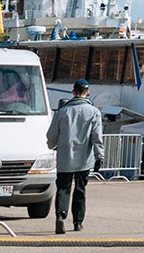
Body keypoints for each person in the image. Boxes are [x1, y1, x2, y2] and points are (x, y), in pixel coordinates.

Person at [44, 79, 104, 236]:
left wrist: (51, 145)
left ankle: (60, 216)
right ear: (87, 93)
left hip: (65, 157)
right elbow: (96, 137)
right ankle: (78, 222)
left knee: (63, 188)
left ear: (73, 92)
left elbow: (51, 136)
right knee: (80, 190)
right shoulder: (94, 112)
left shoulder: (62, 112)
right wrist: (99, 156)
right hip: (84, 159)